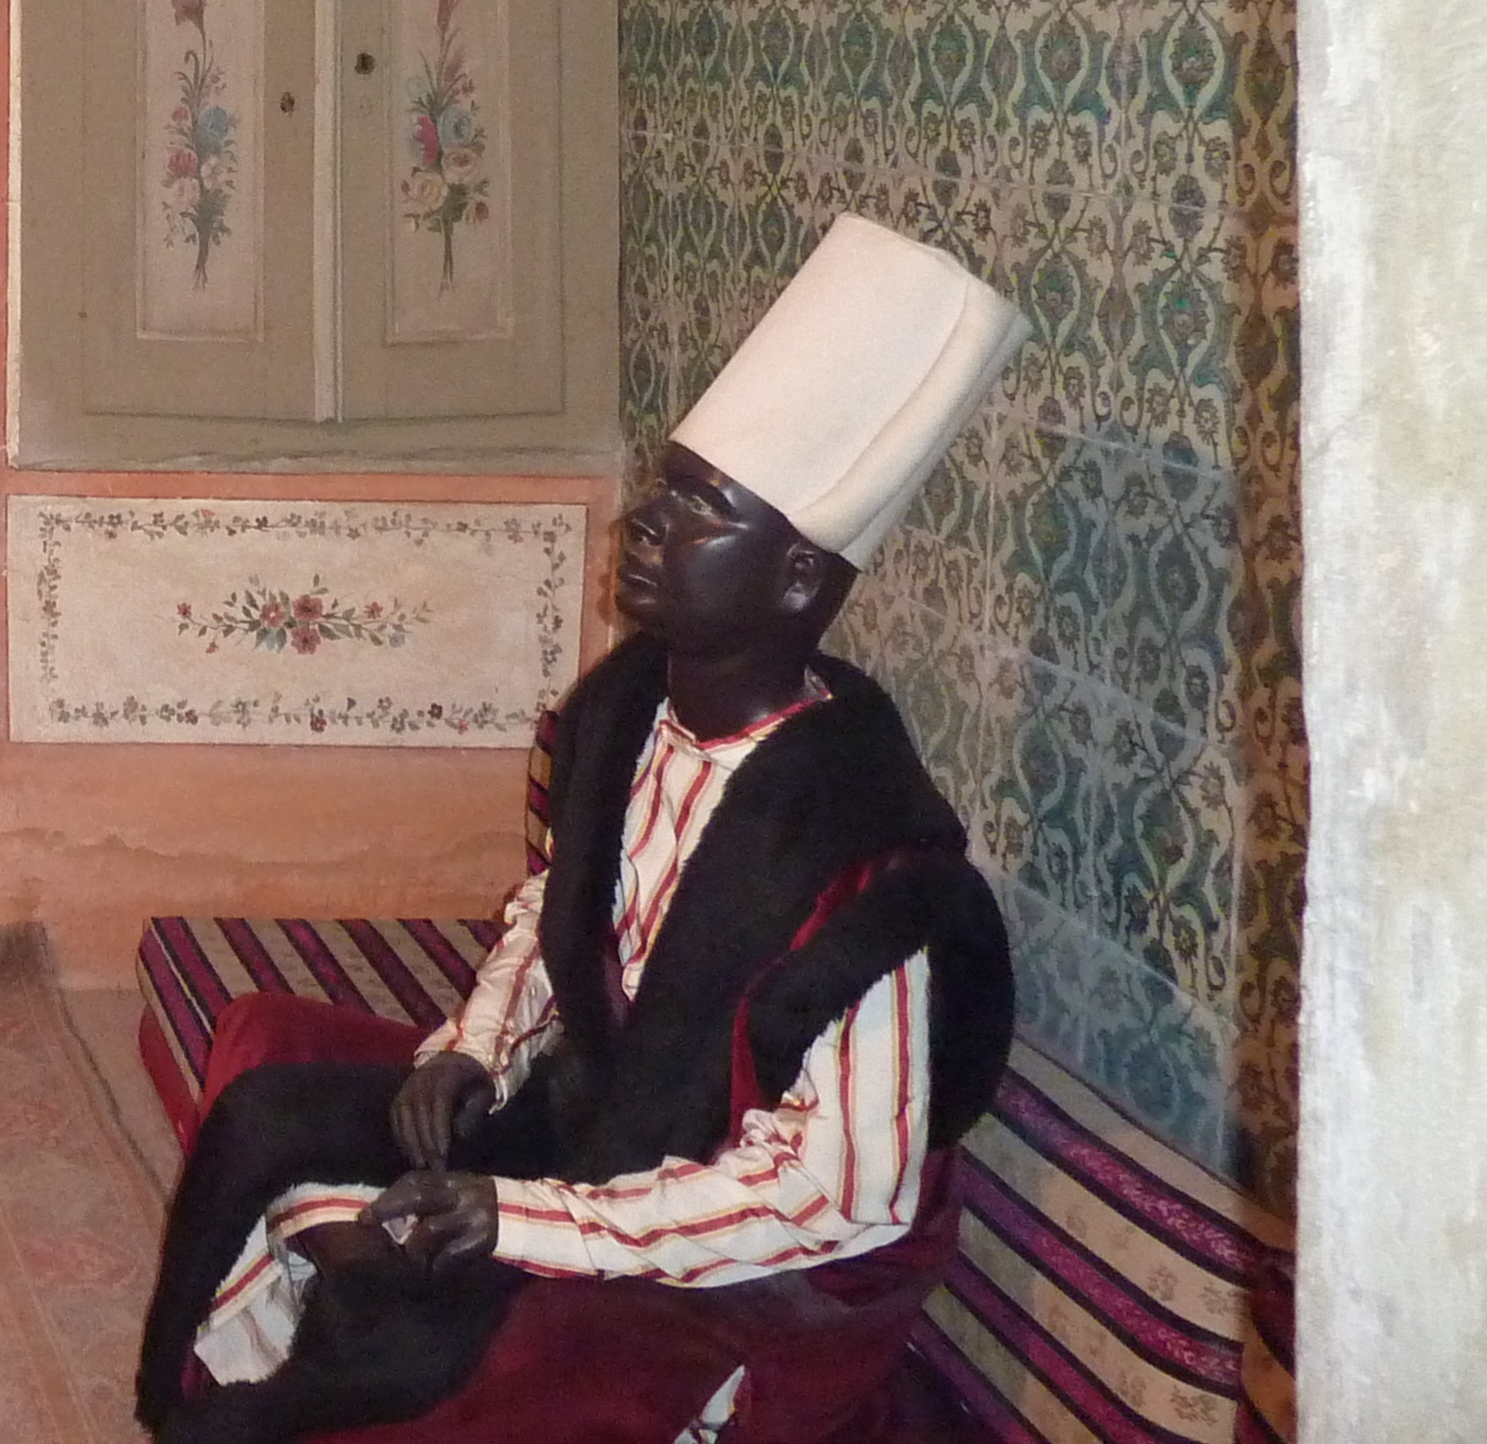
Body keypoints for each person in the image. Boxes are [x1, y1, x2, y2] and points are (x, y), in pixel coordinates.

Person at [134, 215, 1027, 1444]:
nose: (649, 522)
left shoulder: (874, 874)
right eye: (666, 488)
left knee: (431, 1326)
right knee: (267, 1107)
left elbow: (839, 1198)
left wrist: (520, 1218)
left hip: (756, 1265)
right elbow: (558, 918)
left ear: (800, 582)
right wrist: (474, 1049)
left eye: (705, 509)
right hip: (597, 1124)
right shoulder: (629, 708)